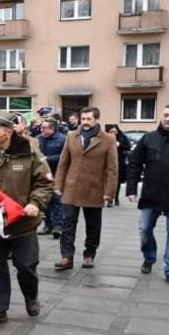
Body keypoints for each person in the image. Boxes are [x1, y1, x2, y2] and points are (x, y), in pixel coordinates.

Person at [0, 112, 53, 326]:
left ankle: (30, 296)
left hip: (23, 222)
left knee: (26, 266)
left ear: (7, 132)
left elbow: (45, 183)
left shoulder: (29, 152)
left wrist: (35, 203)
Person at [126, 104, 169, 285]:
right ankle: (149, 257)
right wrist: (131, 189)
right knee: (145, 232)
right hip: (150, 196)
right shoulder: (149, 138)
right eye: (165, 115)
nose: (168, 118)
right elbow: (134, 164)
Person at [53, 107, 118, 271]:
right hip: (72, 188)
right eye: (83, 119)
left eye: (89, 119)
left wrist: (109, 192)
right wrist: (58, 185)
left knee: (93, 226)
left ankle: (89, 255)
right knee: (68, 224)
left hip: (94, 189)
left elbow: (112, 169)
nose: (86, 122)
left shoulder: (108, 140)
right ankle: (67, 256)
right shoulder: (71, 136)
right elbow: (63, 163)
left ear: (96, 119)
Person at [37, 119, 66, 238]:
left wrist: (48, 158)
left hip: (57, 174)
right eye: (41, 127)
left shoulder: (62, 139)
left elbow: (64, 156)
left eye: (44, 128)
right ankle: (48, 224)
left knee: (57, 201)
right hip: (42, 175)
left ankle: (58, 227)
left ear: (52, 129)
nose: (41, 130)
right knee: (44, 201)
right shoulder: (39, 138)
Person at [104, 124, 131, 207]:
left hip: (119, 162)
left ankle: (116, 197)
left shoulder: (122, 137)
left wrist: (120, 145)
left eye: (115, 131)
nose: (113, 133)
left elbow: (128, 146)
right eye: (111, 132)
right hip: (107, 161)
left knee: (117, 181)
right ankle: (109, 199)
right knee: (107, 180)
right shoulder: (105, 138)